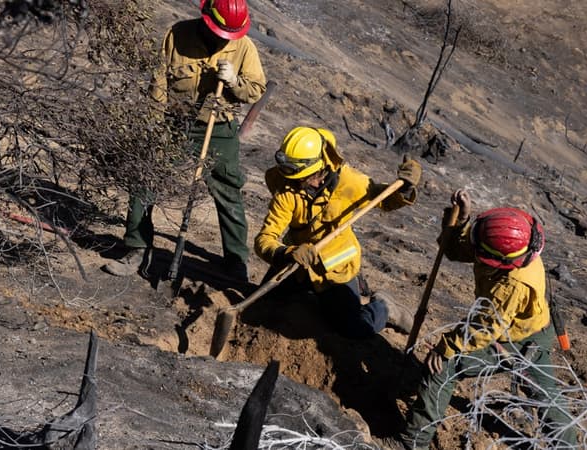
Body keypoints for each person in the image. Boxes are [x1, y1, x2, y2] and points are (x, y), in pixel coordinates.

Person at [388, 190, 578, 449]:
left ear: (501, 262)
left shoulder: (512, 284)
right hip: (527, 327)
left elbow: (484, 329)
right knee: (545, 394)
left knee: (443, 367)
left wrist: (446, 347)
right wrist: (462, 218)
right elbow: (455, 250)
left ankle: (411, 442)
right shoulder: (516, 243)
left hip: (517, 339)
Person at [104, 0, 266, 282]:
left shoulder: (243, 47)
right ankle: (137, 248)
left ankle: (236, 262)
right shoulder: (177, 35)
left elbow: (254, 91)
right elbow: (158, 84)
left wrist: (233, 82)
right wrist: (154, 128)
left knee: (228, 191)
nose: (222, 38)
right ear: (206, 19)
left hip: (218, 126)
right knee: (146, 178)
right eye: (218, 31)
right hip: (174, 124)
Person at [254, 126, 421, 339]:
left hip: (335, 270)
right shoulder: (286, 189)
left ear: (321, 167)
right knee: (261, 306)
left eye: (303, 177)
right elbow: (265, 239)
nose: (297, 183)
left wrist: (404, 189)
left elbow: (384, 199)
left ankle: (382, 307)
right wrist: (286, 254)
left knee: (354, 331)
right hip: (297, 263)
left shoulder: (348, 181)